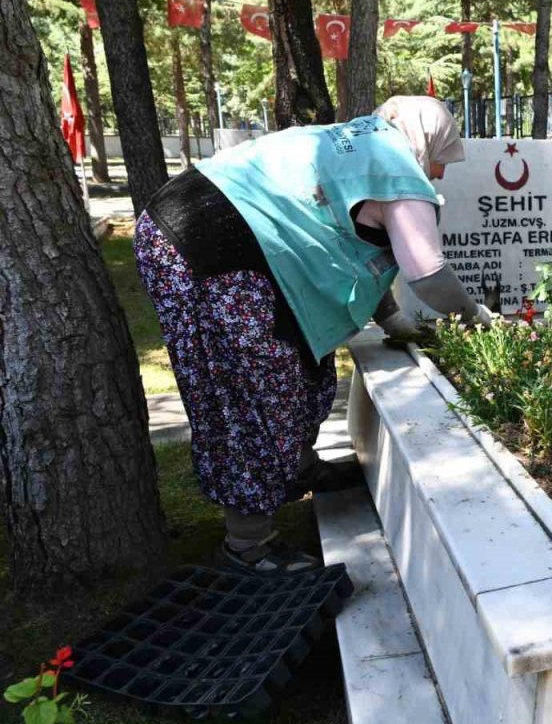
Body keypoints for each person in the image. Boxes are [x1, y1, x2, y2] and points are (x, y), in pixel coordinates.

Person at [135, 97, 491, 575]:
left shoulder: (359, 143)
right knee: (255, 393)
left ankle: (298, 468)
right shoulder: (398, 169)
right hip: (210, 246)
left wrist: (391, 320)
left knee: (303, 360)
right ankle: (248, 546)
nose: (441, 174)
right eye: (442, 157)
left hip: (193, 226)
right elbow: (428, 274)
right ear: (426, 140)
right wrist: (476, 319)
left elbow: (349, 241)